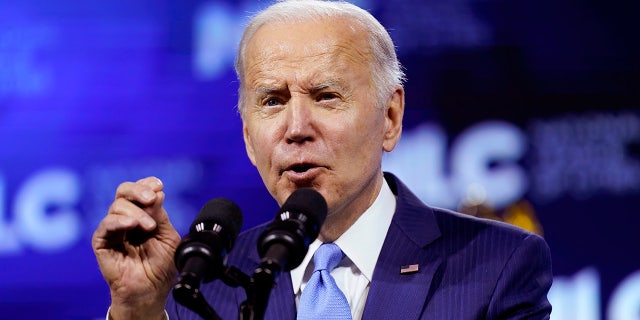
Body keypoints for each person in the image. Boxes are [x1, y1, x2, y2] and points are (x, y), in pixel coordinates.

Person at [92, 0, 553, 319]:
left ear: (390, 118)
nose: (296, 127)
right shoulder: (200, 285)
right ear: (249, 137)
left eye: (326, 96)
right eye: (272, 100)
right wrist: (139, 313)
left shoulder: (496, 264)